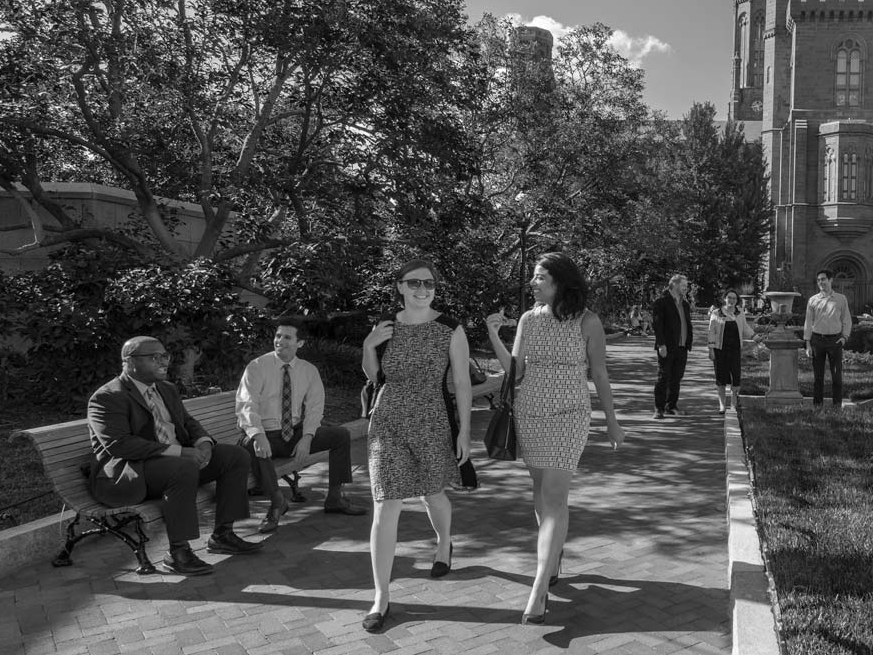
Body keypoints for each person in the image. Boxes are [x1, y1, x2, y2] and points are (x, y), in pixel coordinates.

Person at [484, 252, 624, 625]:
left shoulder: (588, 321)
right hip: (530, 414)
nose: (533, 282)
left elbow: (599, 374)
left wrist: (612, 421)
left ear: (561, 281)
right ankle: (553, 554)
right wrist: (493, 335)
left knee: (555, 496)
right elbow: (515, 373)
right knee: (541, 489)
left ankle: (540, 585)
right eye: (533, 276)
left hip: (570, 416)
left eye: (540, 277)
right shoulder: (529, 320)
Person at [359, 259, 472, 633]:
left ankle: (443, 544)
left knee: (432, 494)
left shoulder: (450, 329)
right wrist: (368, 345)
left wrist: (464, 431)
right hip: (387, 420)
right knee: (385, 503)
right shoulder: (386, 325)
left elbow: (462, 382)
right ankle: (381, 597)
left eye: (429, 284)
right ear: (400, 286)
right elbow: (376, 376)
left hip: (431, 421)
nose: (422, 290)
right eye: (414, 283)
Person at [87, 336, 262, 577]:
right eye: (154, 357)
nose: (163, 362)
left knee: (235, 456)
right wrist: (181, 452)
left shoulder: (166, 389)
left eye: (164, 356)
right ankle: (178, 553)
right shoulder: (108, 397)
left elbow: (188, 422)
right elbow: (119, 445)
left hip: (174, 465)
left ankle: (223, 535)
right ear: (129, 362)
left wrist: (204, 444)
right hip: (133, 471)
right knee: (182, 468)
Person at [235, 318, 367, 535]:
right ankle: (277, 504)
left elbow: (315, 407)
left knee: (341, 435)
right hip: (265, 435)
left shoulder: (308, 371)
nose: (280, 341)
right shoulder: (257, 367)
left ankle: (335, 498)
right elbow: (246, 405)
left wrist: (307, 437)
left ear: (300, 343)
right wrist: (258, 435)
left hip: (294, 434)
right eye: (278, 336)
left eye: (287, 337)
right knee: (253, 445)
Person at [803, 270, 853, 407]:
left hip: (835, 341)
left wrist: (844, 337)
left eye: (823, 279)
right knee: (818, 378)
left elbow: (846, 320)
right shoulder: (813, 300)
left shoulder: (841, 299)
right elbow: (808, 322)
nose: (821, 282)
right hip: (817, 341)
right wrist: (807, 343)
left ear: (831, 280)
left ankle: (837, 406)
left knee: (837, 377)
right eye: (819, 280)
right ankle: (817, 406)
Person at [707, 289, 758, 414]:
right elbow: (711, 332)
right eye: (729, 298)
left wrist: (754, 336)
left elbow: (745, 327)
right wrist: (711, 349)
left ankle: (733, 404)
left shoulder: (739, 312)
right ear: (724, 299)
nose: (731, 300)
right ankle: (722, 405)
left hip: (735, 350)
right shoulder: (716, 313)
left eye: (734, 298)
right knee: (721, 377)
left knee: (735, 377)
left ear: (737, 301)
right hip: (720, 350)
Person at [651, 273, 693, 419]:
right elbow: (657, 324)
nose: (686, 288)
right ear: (674, 285)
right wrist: (661, 344)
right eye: (684, 285)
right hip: (667, 346)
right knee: (663, 377)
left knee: (677, 378)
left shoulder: (685, 304)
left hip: (682, 347)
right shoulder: (661, 302)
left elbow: (686, 324)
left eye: (686, 286)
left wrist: (688, 343)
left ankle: (671, 406)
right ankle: (659, 408)